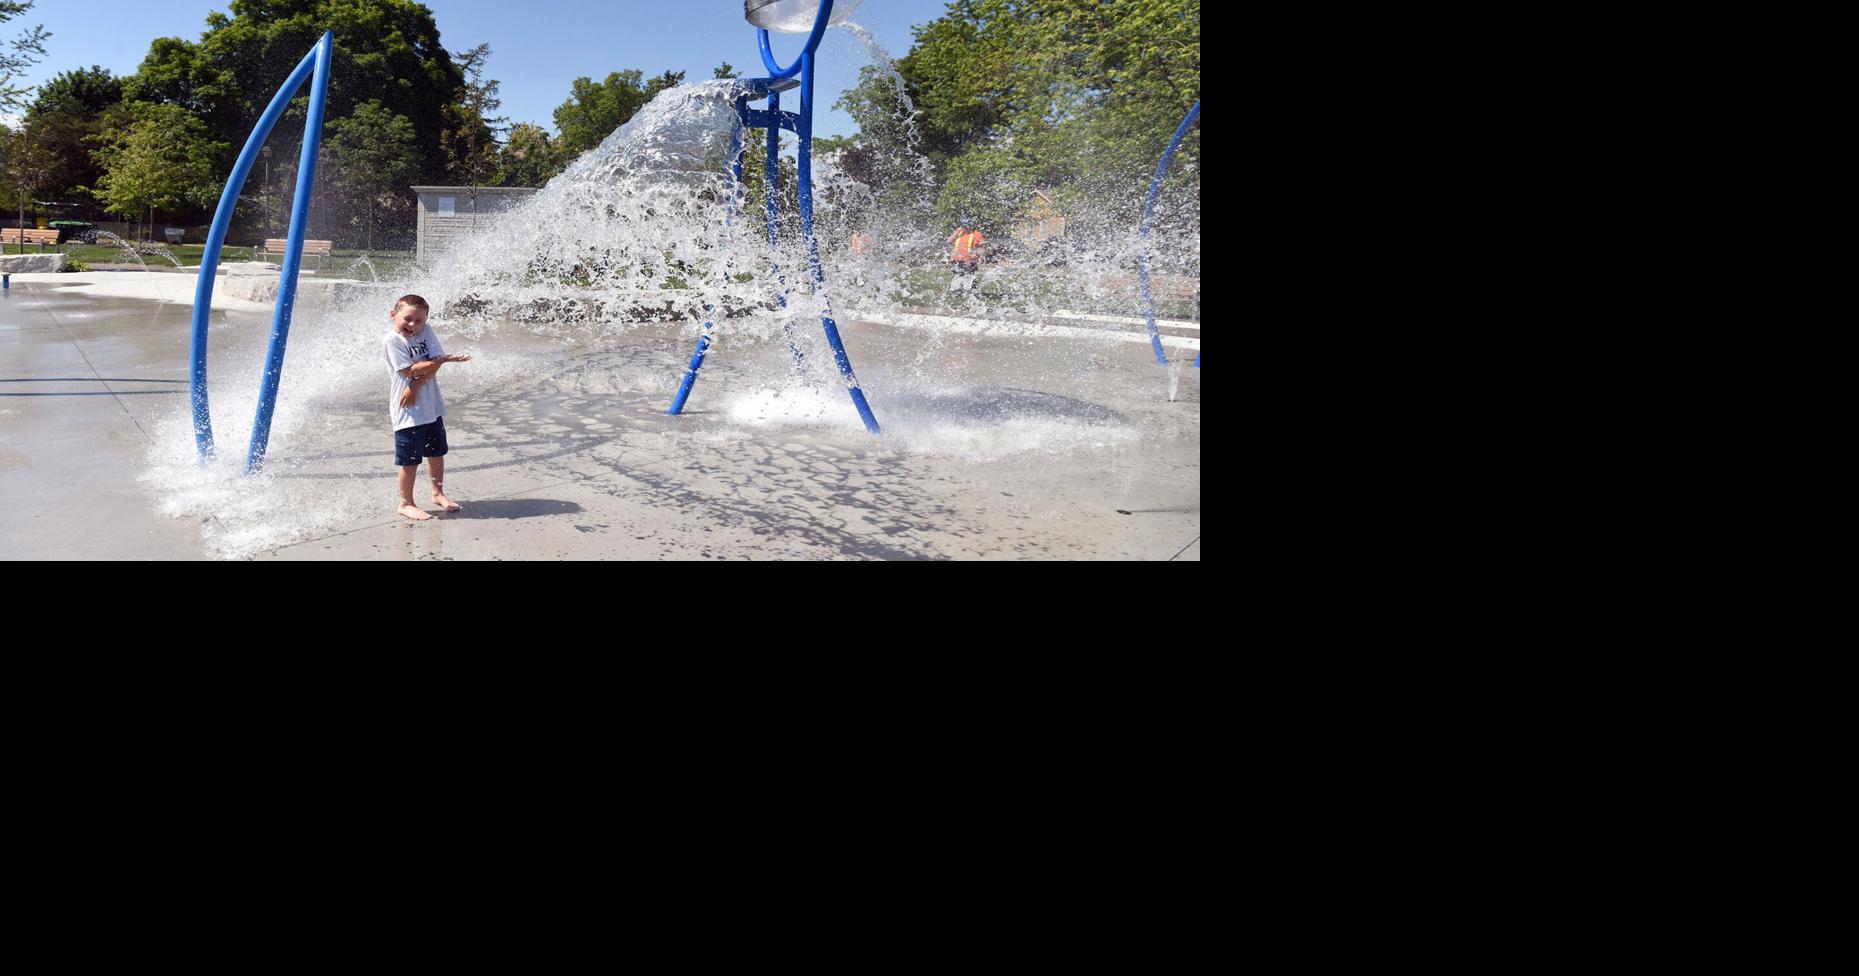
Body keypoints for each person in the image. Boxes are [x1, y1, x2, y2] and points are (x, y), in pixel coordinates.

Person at [384, 294, 471, 521]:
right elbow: (409, 371)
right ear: (393, 315)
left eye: (419, 320)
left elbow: (434, 362)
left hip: (430, 405)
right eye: (407, 319)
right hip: (408, 411)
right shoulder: (392, 340)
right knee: (410, 460)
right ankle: (406, 503)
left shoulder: (426, 330)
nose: (413, 325)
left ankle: (437, 493)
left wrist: (416, 386)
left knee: (436, 452)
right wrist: (440, 362)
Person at [948, 222, 985, 287]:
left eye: (967, 226)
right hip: (957, 260)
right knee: (957, 278)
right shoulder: (959, 233)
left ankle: (972, 292)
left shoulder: (976, 234)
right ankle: (957, 292)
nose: (966, 228)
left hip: (969, 261)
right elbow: (949, 241)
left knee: (970, 278)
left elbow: (982, 247)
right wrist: (957, 231)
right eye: (964, 226)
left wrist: (978, 256)